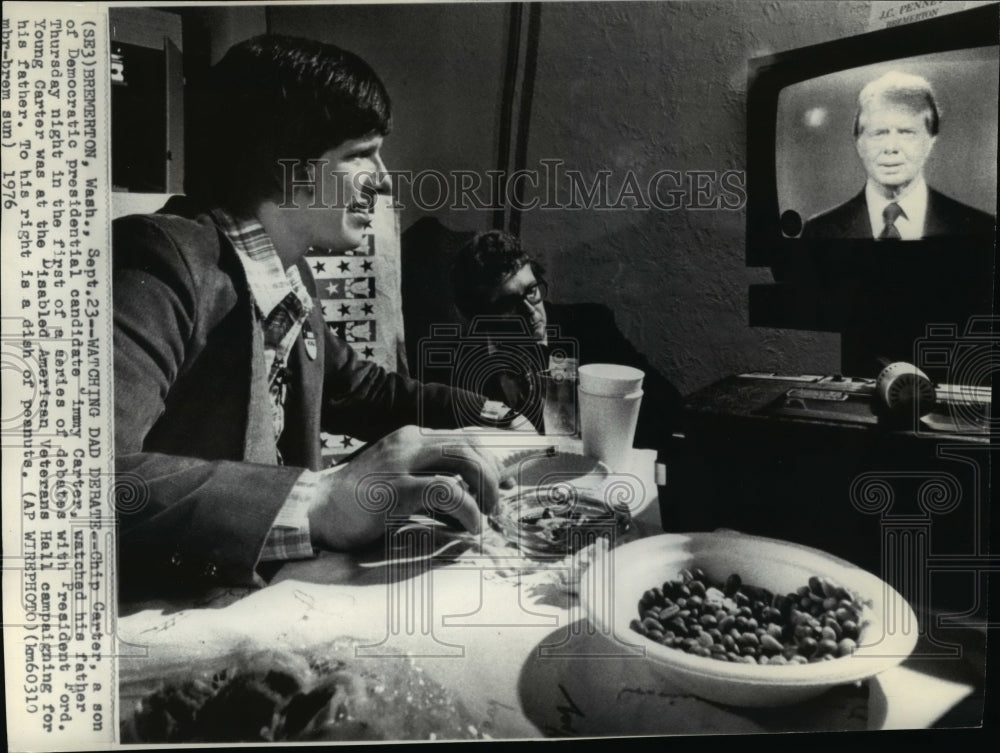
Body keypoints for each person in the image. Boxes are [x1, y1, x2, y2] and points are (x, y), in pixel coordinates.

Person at [113, 35, 511, 598]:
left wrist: (490, 412)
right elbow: (79, 479)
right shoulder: (157, 258)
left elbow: (363, 389)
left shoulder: (287, 276)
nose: (384, 177)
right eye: (359, 153)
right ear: (290, 163)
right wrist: (319, 499)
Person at [444, 230, 684, 457]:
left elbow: (667, 406)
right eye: (508, 303)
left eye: (531, 291)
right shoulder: (459, 357)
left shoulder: (591, 327)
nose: (530, 312)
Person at [801, 70, 995, 240]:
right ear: (859, 143)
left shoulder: (981, 227)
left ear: (930, 140)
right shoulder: (819, 230)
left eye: (906, 132)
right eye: (879, 133)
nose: (891, 147)